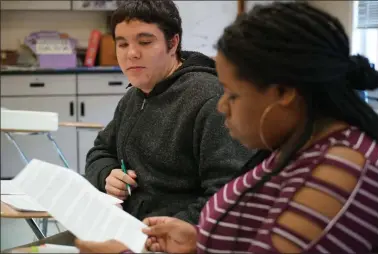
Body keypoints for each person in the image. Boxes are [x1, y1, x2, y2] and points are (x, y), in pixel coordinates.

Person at [75, 2, 378, 254]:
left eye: (233, 94)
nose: (222, 105)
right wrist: (199, 243)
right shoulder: (297, 146)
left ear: (285, 93)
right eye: (123, 43)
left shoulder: (338, 170)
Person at [84, 0, 252, 224]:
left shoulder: (210, 100)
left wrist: (166, 232)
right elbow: (100, 151)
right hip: (126, 226)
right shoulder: (135, 96)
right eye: (122, 44)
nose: (131, 53)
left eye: (144, 42)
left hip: (172, 238)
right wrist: (107, 174)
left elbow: (229, 196)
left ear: (173, 44)